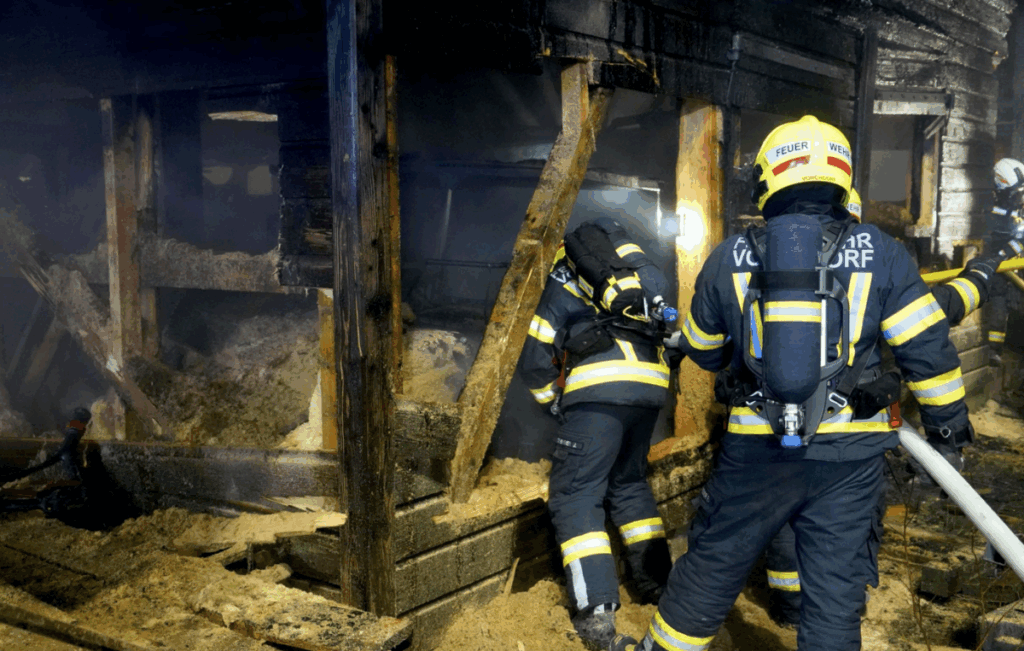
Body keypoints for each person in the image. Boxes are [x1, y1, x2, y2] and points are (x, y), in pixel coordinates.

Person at [611, 115, 973, 651]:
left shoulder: (731, 255)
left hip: (757, 451)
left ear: (768, 180)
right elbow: (928, 353)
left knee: (712, 565)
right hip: (850, 458)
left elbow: (704, 352)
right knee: (834, 592)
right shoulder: (881, 251)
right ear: (842, 178)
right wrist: (947, 435)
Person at [760, 186, 1024, 628]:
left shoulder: (770, 276)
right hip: (853, 439)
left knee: (785, 514)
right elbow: (941, 311)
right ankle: (843, 605)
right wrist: (980, 273)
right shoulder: (879, 276)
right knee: (852, 520)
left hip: (779, 430)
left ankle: (788, 609)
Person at [519, 216, 679, 650]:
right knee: (629, 485)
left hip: (599, 390)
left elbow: (536, 352)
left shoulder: (564, 277)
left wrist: (552, 402)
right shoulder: (640, 280)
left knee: (576, 495)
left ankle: (596, 615)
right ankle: (659, 586)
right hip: (650, 386)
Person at [984, 158, 1024, 366]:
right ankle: (994, 351)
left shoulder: (1013, 212)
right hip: (1001, 271)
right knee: (999, 309)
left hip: (1015, 269)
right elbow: (1015, 240)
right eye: (1017, 194)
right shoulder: (996, 216)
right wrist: (1002, 255)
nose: (1021, 197)